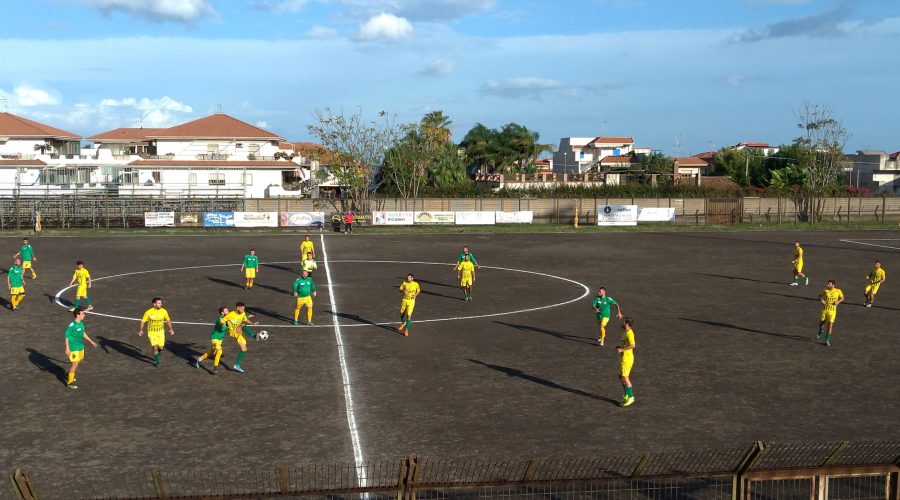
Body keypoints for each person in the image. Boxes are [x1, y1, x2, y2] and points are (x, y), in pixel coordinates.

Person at [65, 309, 97, 389]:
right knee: (75, 364)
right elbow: (66, 336)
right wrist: (67, 349)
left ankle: (69, 374)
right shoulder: (72, 325)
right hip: (73, 347)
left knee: (79, 360)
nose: (84, 315)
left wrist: (91, 341)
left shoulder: (81, 324)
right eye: (82, 314)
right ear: (77, 315)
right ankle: (70, 382)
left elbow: (83, 333)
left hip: (80, 346)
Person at [138, 297, 174, 366]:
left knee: (161, 347)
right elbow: (143, 321)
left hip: (160, 332)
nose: (161, 304)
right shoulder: (148, 312)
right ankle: (157, 361)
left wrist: (171, 329)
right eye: (159, 303)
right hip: (152, 332)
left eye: (161, 303)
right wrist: (141, 330)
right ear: (154, 304)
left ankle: (157, 352)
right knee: (155, 347)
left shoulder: (164, 311)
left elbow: (168, 320)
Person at [223, 302, 258, 373]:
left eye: (244, 309)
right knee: (241, 325)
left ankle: (237, 365)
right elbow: (223, 321)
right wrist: (223, 326)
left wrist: (253, 323)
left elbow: (245, 319)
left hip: (238, 332)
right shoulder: (230, 315)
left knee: (244, 349)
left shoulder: (243, 313)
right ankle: (254, 336)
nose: (243, 310)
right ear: (237, 308)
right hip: (233, 332)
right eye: (242, 309)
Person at [195, 307, 230, 374]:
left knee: (211, 353)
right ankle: (215, 368)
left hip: (220, 339)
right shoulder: (219, 319)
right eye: (226, 310)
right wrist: (228, 325)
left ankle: (199, 359)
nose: (228, 311)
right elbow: (223, 329)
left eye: (228, 310)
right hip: (215, 338)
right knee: (219, 351)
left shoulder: (227, 319)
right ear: (222, 313)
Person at [616, 318, 637, 407]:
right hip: (623, 357)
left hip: (627, 359)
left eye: (623, 322)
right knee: (621, 377)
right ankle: (626, 395)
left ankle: (631, 397)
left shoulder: (630, 333)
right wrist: (620, 347)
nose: (622, 323)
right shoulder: (625, 332)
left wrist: (622, 349)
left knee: (625, 377)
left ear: (627, 323)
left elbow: (633, 345)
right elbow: (626, 344)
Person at [818, 280, 844, 346]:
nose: (827, 285)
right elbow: (819, 296)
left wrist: (838, 302)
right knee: (821, 323)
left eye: (829, 284)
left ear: (833, 285)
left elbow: (842, 298)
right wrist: (821, 300)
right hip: (825, 310)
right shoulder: (825, 290)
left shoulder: (838, 291)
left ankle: (827, 340)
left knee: (830, 326)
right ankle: (821, 330)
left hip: (832, 311)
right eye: (827, 284)